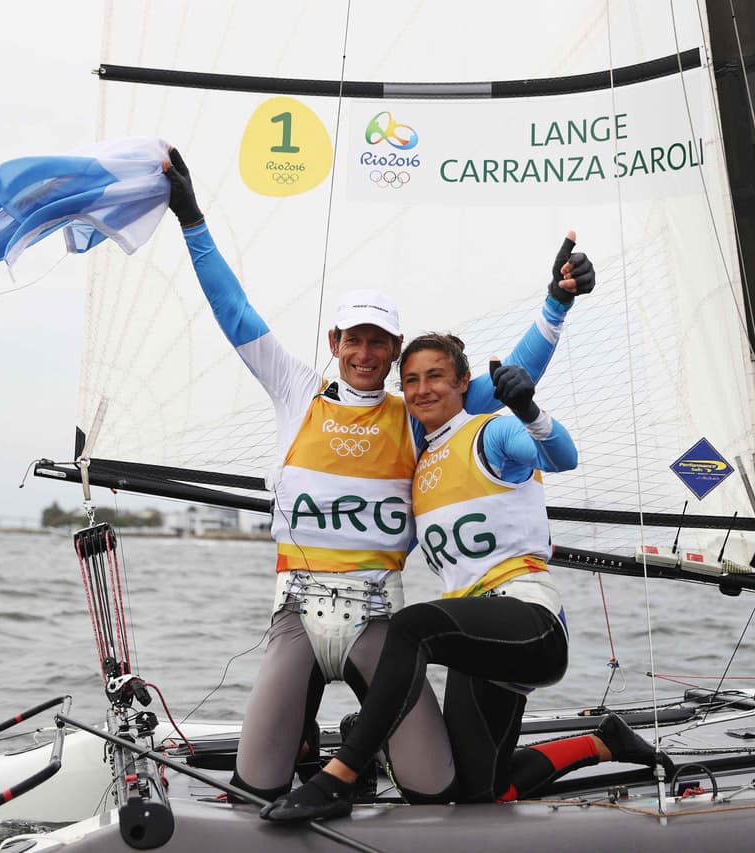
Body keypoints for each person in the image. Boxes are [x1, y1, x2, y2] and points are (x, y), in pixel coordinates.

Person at [161, 148, 595, 804]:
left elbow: (506, 381)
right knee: (257, 788)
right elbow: (235, 312)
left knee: (437, 787)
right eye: (352, 340)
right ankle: (315, 747)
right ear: (334, 342)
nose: (364, 353)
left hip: (376, 621)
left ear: (393, 351)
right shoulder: (295, 389)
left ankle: (357, 745)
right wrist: (190, 217)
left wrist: (555, 303)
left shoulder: (415, 415)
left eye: (378, 342)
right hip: (297, 615)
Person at [262, 335, 669, 820]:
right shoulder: (418, 471)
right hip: (475, 642)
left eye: (435, 376)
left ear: (462, 384)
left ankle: (340, 775)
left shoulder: (489, 433)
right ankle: (603, 741)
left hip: (530, 621)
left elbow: (561, 456)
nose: (422, 388)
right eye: (411, 380)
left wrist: (528, 408)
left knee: (410, 628)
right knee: (475, 792)